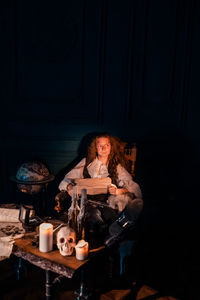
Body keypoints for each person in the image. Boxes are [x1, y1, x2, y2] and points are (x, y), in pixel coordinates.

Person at [55, 133, 143, 235]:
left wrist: (119, 191)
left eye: (107, 145)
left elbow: (132, 186)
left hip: (106, 203)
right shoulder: (86, 162)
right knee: (93, 215)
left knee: (111, 217)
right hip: (86, 202)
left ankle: (114, 237)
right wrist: (70, 188)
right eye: (100, 146)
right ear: (95, 148)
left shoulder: (116, 166)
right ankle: (100, 233)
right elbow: (66, 180)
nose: (104, 148)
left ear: (110, 147)